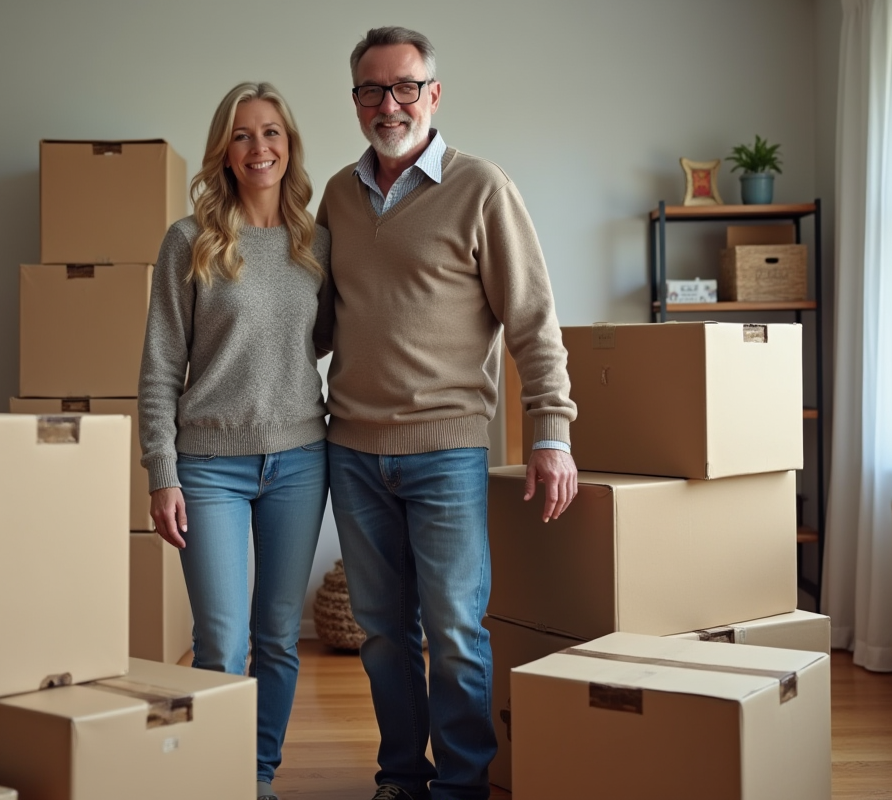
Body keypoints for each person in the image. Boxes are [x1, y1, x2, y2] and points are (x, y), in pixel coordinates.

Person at [316, 27, 579, 800]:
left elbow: (533, 319)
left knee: (458, 634)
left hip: (448, 451)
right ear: (356, 99)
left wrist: (552, 433)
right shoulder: (336, 193)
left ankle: (462, 787)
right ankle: (402, 776)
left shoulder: (481, 187)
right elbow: (320, 323)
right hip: (352, 449)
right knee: (383, 636)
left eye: (404, 87)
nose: (388, 103)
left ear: (433, 94)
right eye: (372, 89)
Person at [138, 81, 332, 800]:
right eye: (244, 135)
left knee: (279, 637)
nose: (260, 148)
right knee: (222, 642)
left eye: (272, 132)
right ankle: (213, 780)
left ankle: (254, 779)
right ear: (225, 149)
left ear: (290, 144)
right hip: (209, 466)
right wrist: (161, 470)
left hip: (300, 460)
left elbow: (334, 337)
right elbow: (160, 365)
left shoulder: (317, 242)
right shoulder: (188, 241)